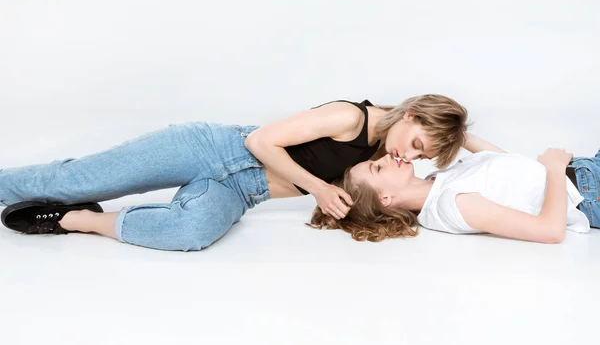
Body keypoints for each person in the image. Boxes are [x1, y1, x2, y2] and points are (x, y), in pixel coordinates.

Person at [1, 95, 469, 251]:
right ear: (410, 114)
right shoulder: (350, 116)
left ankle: (74, 219)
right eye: (415, 145)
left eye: (421, 157)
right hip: (208, 148)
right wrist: (318, 187)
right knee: (72, 179)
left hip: (243, 189)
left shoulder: (387, 152)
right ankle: (60, 196)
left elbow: (472, 147)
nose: (409, 158)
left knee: (193, 231)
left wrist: (468, 143)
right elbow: (258, 141)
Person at [309, 136, 596, 244]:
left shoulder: (437, 181)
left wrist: (450, 134)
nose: (385, 157)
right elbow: (550, 230)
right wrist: (555, 169)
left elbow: (506, 168)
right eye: (378, 169)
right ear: (386, 198)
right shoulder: (450, 205)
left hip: (587, 170)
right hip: (589, 190)